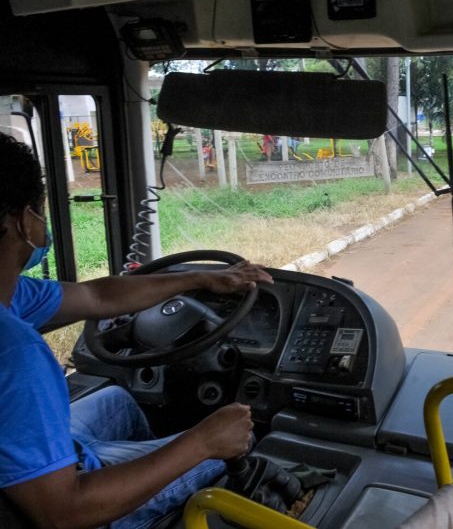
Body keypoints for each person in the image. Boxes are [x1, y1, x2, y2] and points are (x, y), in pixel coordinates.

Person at [0, 133, 274, 528]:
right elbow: (63, 512)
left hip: (34, 472)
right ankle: (143, 509)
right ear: (26, 221)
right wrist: (202, 442)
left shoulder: (11, 294)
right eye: (40, 214)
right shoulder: (16, 352)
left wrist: (198, 278)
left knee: (117, 400)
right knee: (232, 445)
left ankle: (139, 478)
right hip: (72, 506)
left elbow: (97, 297)